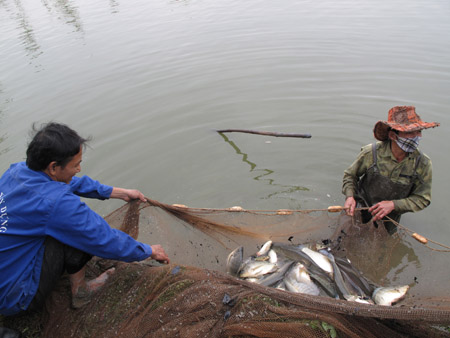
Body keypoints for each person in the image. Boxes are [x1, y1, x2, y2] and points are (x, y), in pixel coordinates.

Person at [0, 122, 170, 316]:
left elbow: (72, 183)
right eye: (76, 164)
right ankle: (81, 292)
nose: (79, 169)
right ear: (53, 167)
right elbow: (101, 237)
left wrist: (118, 193)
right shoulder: (55, 203)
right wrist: (148, 250)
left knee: (63, 223)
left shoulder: (17, 171)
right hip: (14, 298)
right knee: (76, 230)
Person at [342, 106, 440, 233]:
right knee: (346, 237)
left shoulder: (423, 164)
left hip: (389, 219)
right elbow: (350, 175)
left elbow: (422, 199)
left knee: (380, 247)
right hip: (360, 208)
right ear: (393, 135)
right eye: (410, 132)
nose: (417, 137)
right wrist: (350, 196)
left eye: (419, 131)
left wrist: (394, 205)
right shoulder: (371, 153)